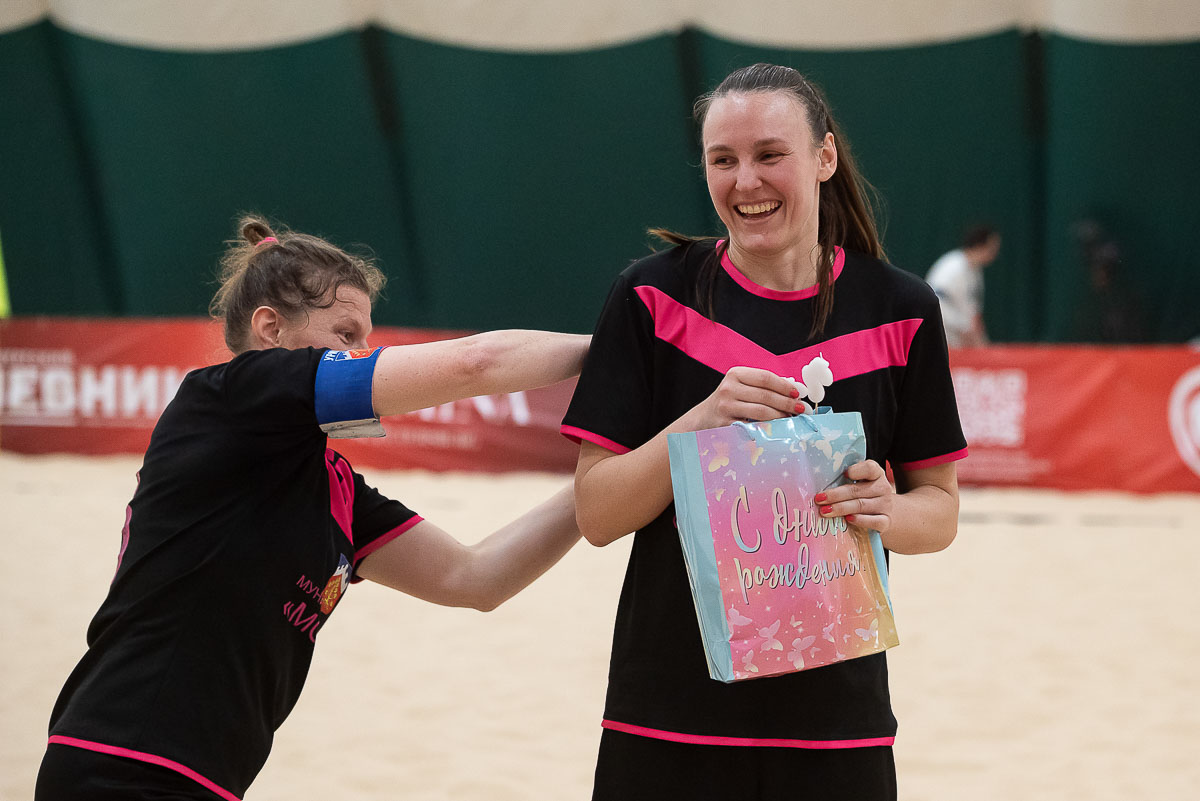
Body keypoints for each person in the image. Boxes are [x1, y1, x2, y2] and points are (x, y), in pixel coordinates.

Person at [35, 216, 590, 801]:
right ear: (270, 329)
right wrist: (616, 348)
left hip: (202, 779)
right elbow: (475, 363)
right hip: (122, 761)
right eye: (346, 335)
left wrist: (605, 475)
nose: (360, 354)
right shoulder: (232, 394)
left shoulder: (334, 483)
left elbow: (475, 578)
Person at [561, 63, 967, 800]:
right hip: (667, 715)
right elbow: (597, 512)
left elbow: (938, 511)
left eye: (769, 154)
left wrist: (888, 511)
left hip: (838, 722)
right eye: (723, 160)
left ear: (824, 156)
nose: (745, 181)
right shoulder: (652, 297)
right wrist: (700, 423)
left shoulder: (901, 310)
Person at [924, 224, 1001, 347]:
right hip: (942, 336)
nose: (995, 252)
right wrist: (963, 327)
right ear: (980, 245)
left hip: (961, 340)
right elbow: (934, 302)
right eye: (992, 248)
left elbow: (973, 312)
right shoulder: (952, 267)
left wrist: (981, 343)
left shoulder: (975, 271)